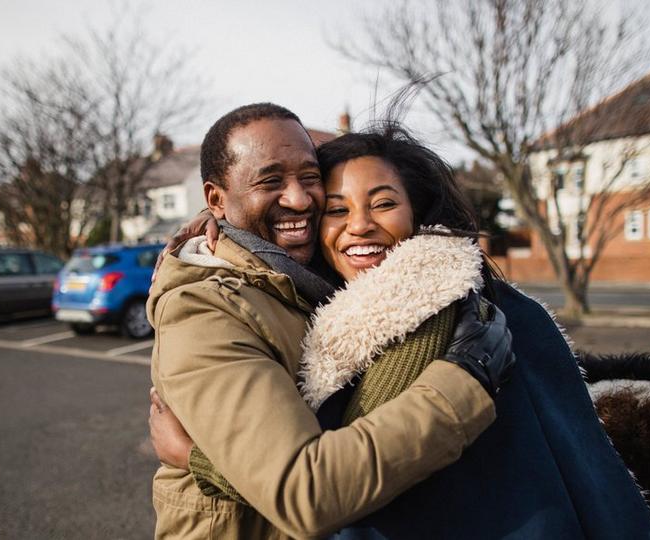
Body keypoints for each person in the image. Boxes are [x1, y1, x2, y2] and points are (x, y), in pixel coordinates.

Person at [152, 123, 650, 539]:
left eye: (383, 203)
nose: (358, 224)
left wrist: (198, 459)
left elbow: (328, 488)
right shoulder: (332, 296)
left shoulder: (424, 310)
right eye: (337, 208)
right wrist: (223, 217)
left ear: (417, 212)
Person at [146, 103, 516, 539]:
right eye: (269, 181)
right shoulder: (205, 309)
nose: (300, 199)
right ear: (215, 199)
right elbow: (308, 492)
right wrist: (467, 381)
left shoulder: (318, 278)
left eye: (310, 177)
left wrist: (197, 458)